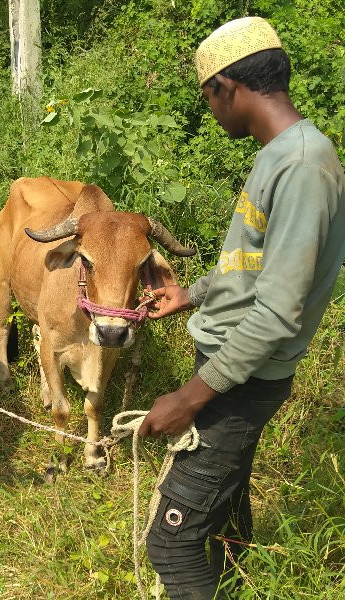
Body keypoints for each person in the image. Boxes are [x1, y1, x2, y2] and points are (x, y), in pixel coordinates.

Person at [137, 16, 345, 599]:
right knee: (225, 503)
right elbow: (252, 266)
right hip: (231, 364)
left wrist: (189, 396)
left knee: (172, 542)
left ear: (226, 87)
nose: (211, 112)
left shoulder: (303, 166)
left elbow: (278, 313)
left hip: (242, 379)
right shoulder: (278, 153)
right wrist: (192, 295)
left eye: (208, 98)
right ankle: (239, 584)